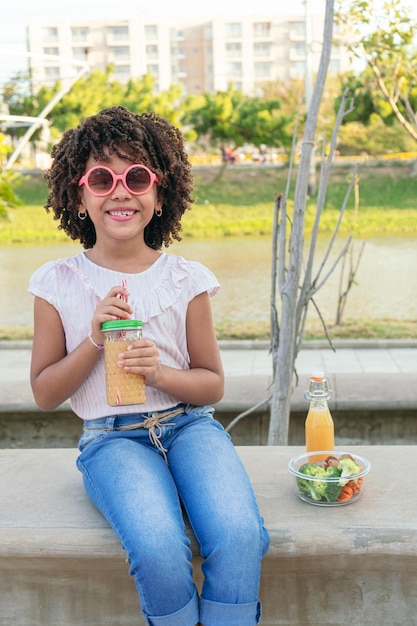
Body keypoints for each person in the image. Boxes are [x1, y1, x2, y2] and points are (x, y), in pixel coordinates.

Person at [28, 106, 269, 626]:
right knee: (159, 548)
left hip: (189, 426)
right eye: (101, 178)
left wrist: (159, 373)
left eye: (137, 176)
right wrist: (93, 339)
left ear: (160, 195)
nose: (120, 191)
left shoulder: (187, 279)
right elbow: (45, 394)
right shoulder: (56, 282)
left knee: (239, 534)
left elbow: (211, 385)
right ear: (78, 194)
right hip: (111, 438)